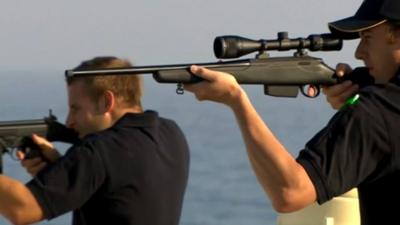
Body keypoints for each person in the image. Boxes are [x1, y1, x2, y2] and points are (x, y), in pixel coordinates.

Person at [184, 0, 400, 224]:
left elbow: (290, 193)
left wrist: (236, 101)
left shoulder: (376, 113)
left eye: (367, 38)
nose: (358, 53)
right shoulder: (379, 107)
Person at [0, 56, 190, 225]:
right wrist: (61, 169)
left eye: (76, 109)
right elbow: (121, 192)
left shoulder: (98, 150)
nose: (69, 121)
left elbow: (21, 210)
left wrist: (76, 164)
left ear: (106, 102)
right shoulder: (171, 133)